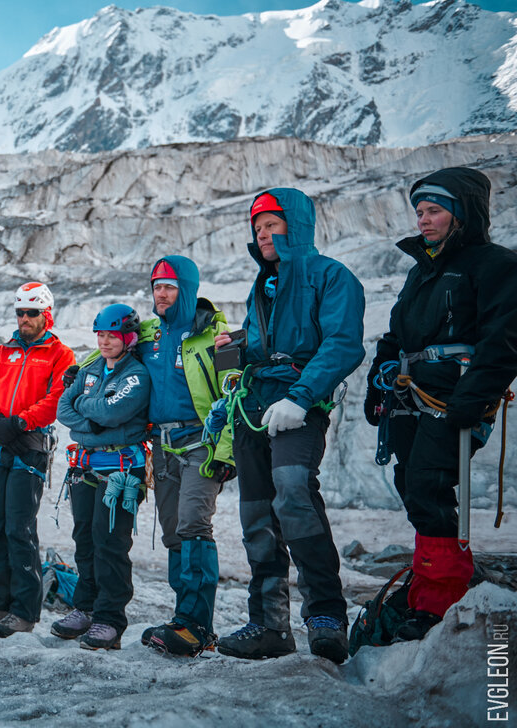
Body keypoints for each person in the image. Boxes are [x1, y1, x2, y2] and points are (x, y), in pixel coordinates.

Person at [214, 188, 365, 665]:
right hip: (254, 407)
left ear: (294, 227)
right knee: (256, 513)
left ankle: (326, 617)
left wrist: (300, 398)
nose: (262, 235)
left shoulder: (332, 276)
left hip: (297, 404)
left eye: (271, 225)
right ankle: (269, 625)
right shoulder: (263, 285)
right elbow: (263, 348)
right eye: (257, 229)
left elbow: (342, 344)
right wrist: (236, 347)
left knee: (294, 490)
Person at [365, 167, 517, 640]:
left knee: (429, 485)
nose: (423, 220)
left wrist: (472, 401)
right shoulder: (422, 271)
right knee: (411, 483)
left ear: (461, 214)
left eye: (433, 211)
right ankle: (436, 582)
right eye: (420, 212)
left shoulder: (494, 265)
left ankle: (437, 601)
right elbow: (395, 336)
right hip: (412, 395)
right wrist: (377, 382)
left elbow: (504, 340)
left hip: (453, 397)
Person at [137, 256, 235, 657]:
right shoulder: (147, 333)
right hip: (162, 446)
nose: (161, 294)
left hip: (201, 443)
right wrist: (79, 371)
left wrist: (226, 450)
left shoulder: (215, 333)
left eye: (170, 286)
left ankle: (197, 624)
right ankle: (184, 619)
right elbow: (105, 354)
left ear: (188, 290)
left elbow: (234, 393)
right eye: (157, 286)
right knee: (174, 531)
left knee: (195, 524)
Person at [0, 282, 76, 637]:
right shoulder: (4, 352)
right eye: (20, 312)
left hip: (29, 446)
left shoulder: (60, 354)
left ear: (46, 315)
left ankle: (25, 611)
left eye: (32, 313)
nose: (25, 319)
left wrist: (19, 422)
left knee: (19, 528)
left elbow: (58, 397)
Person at [52, 304, 151, 650]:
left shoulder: (136, 375)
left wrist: (87, 410)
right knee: (85, 538)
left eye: (113, 335)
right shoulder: (91, 368)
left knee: (110, 541)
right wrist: (94, 418)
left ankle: (110, 619)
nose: (106, 341)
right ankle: (85, 608)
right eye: (102, 335)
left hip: (121, 470)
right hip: (84, 465)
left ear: (129, 337)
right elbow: (63, 409)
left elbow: (114, 412)